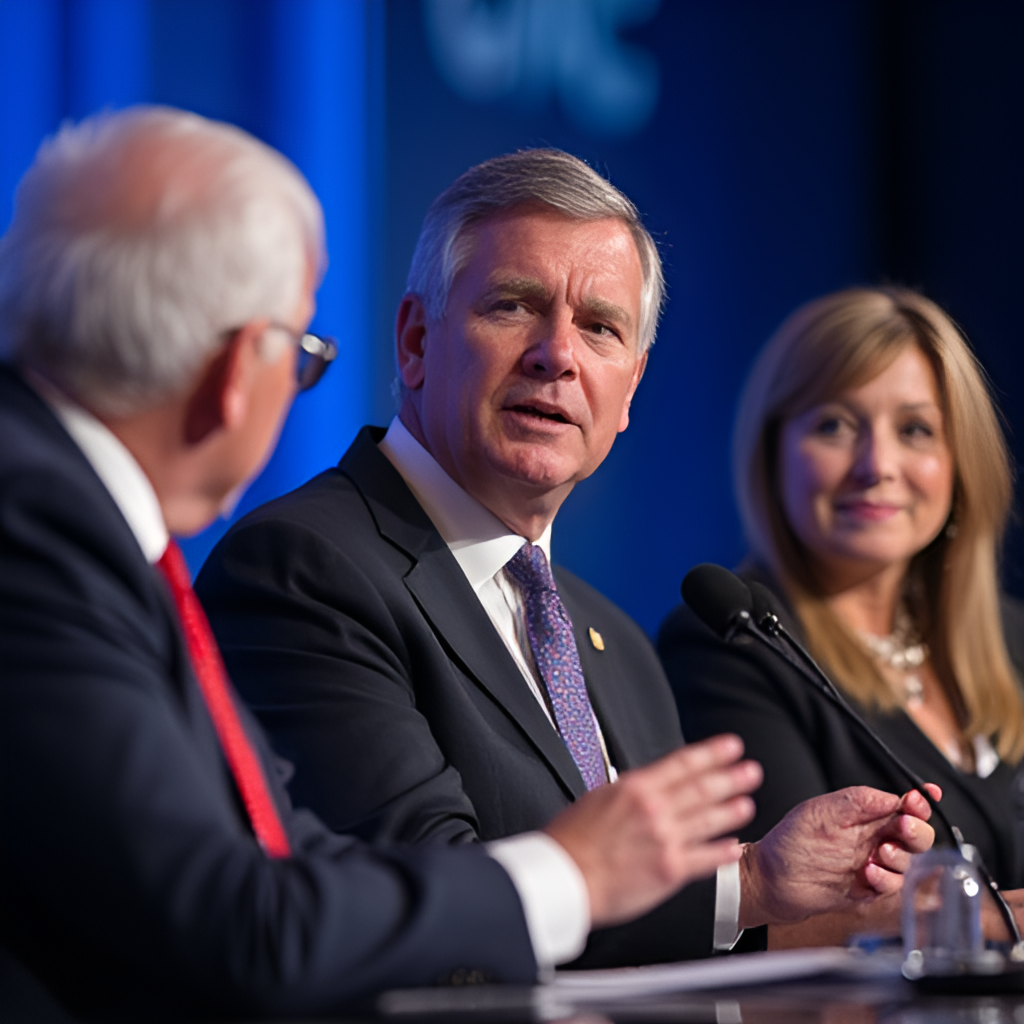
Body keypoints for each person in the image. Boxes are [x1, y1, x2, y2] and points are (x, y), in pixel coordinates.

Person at [0, 110, 935, 1019]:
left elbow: (638, 940)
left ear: (629, 393)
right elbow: (377, 906)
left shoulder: (614, 639)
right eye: (512, 306)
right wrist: (711, 882)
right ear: (413, 342)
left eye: (601, 328)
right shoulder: (303, 566)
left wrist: (759, 885)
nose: (557, 356)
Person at [659, 286, 1024, 946]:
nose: (876, 466)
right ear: (773, 456)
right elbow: (776, 921)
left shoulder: (1014, 637)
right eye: (833, 425)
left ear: (960, 461)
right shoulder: (733, 643)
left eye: (915, 430)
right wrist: (985, 920)